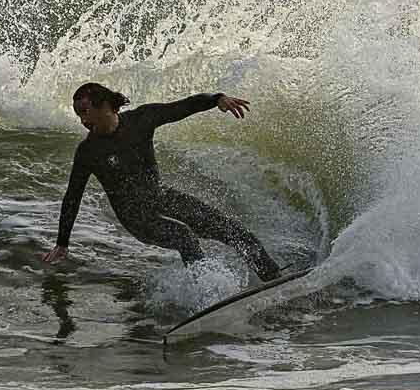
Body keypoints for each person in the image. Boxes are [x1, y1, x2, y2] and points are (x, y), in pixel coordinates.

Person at [43, 82, 283, 281]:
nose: (82, 120)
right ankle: (205, 292)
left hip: (160, 196)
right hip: (136, 217)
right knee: (184, 236)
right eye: (78, 114)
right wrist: (62, 242)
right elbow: (73, 196)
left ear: (104, 105)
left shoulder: (141, 119)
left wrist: (216, 99)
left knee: (231, 229)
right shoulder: (88, 152)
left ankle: (274, 278)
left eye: (84, 111)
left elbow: (181, 107)